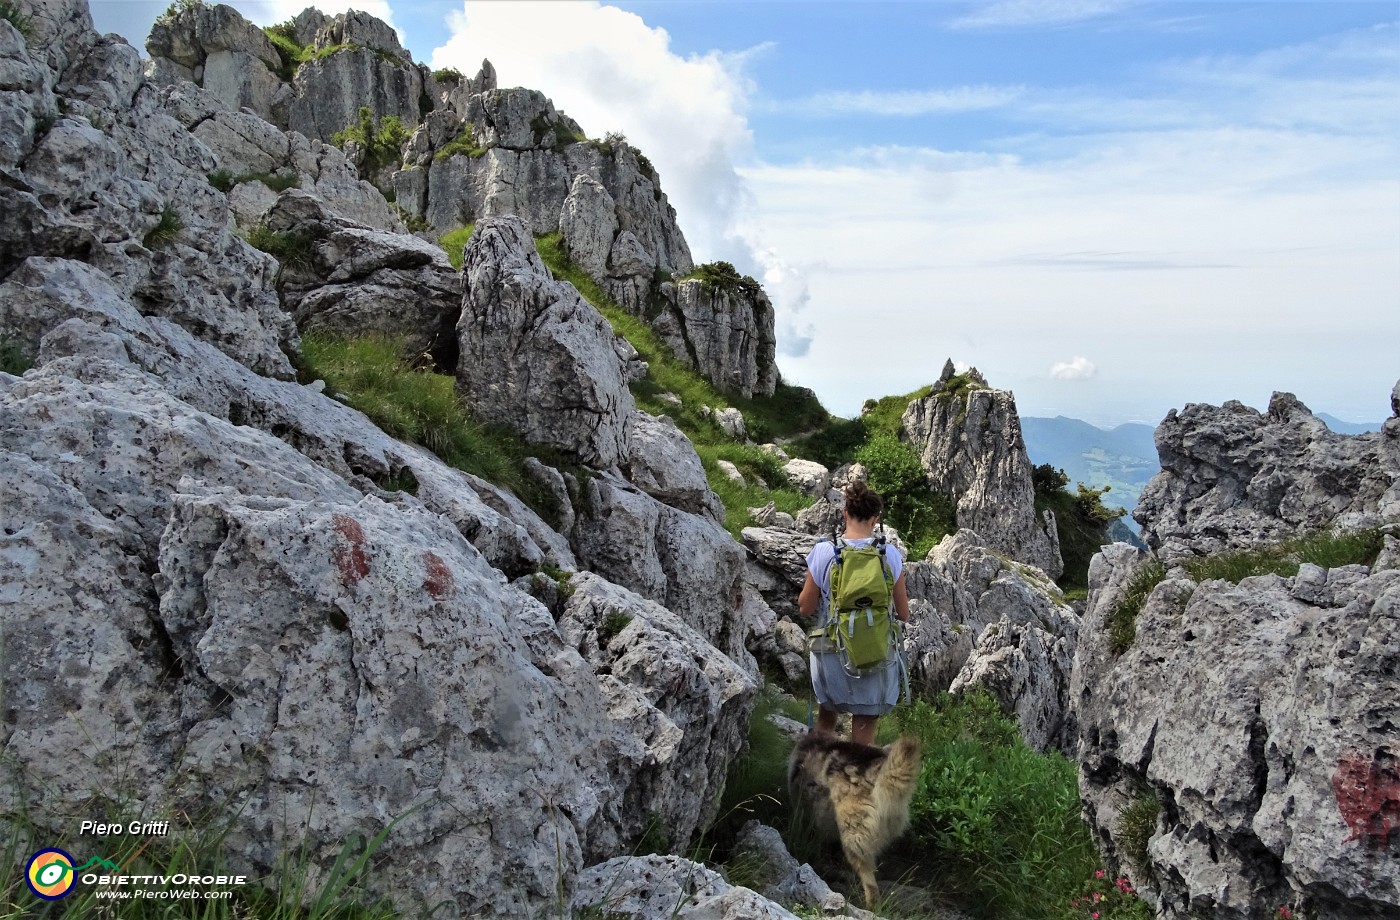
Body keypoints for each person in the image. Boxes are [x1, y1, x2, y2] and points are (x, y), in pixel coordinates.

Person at [797, 481, 910, 746]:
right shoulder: (889, 555)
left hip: (832, 652)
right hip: (873, 653)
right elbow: (903, 613)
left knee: (827, 716)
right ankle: (855, 781)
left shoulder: (824, 551)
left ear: (844, 513)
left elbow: (806, 607)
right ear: (876, 519)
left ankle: (818, 778)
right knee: (864, 728)